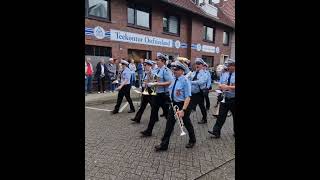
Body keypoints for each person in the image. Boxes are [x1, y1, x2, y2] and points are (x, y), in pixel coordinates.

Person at [154, 61, 196, 151]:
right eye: (173, 69)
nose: (174, 71)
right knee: (169, 124)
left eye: (176, 70)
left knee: (187, 123)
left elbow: (188, 97)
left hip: (183, 105)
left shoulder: (185, 81)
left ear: (182, 71)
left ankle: (192, 140)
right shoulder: (173, 79)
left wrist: (183, 110)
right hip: (174, 104)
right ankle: (164, 145)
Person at [140, 54, 173, 137]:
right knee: (153, 113)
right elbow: (152, 78)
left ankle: (171, 127)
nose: (156, 61)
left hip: (163, 95)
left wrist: (158, 83)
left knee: (167, 114)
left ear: (163, 61)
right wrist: (148, 75)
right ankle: (149, 131)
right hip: (156, 94)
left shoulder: (166, 70)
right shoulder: (156, 69)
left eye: (158, 60)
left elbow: (169, 82)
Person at [208, 59, 235, 138]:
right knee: (221, 116)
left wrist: (228, 87)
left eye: (230, 66)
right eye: (228, 66)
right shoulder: (225, 74)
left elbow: (228, 86)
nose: (228, 67)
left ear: (234, 66)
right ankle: (216, 132)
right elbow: (221, 84)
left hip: (234, 99)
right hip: (225, 98)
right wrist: (219, 87)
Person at [188, 58, 208, 124]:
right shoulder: (193, 73)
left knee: (191, 106)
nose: (197, 65)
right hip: (192, 93)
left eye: (199, 64)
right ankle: (205, 119)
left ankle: (186, 120)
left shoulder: (204, 73)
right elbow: (187, 78)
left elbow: (200, 82)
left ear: (202, 65)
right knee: (201, 106)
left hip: (199, 93)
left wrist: (191, 82)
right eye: (196, 63)